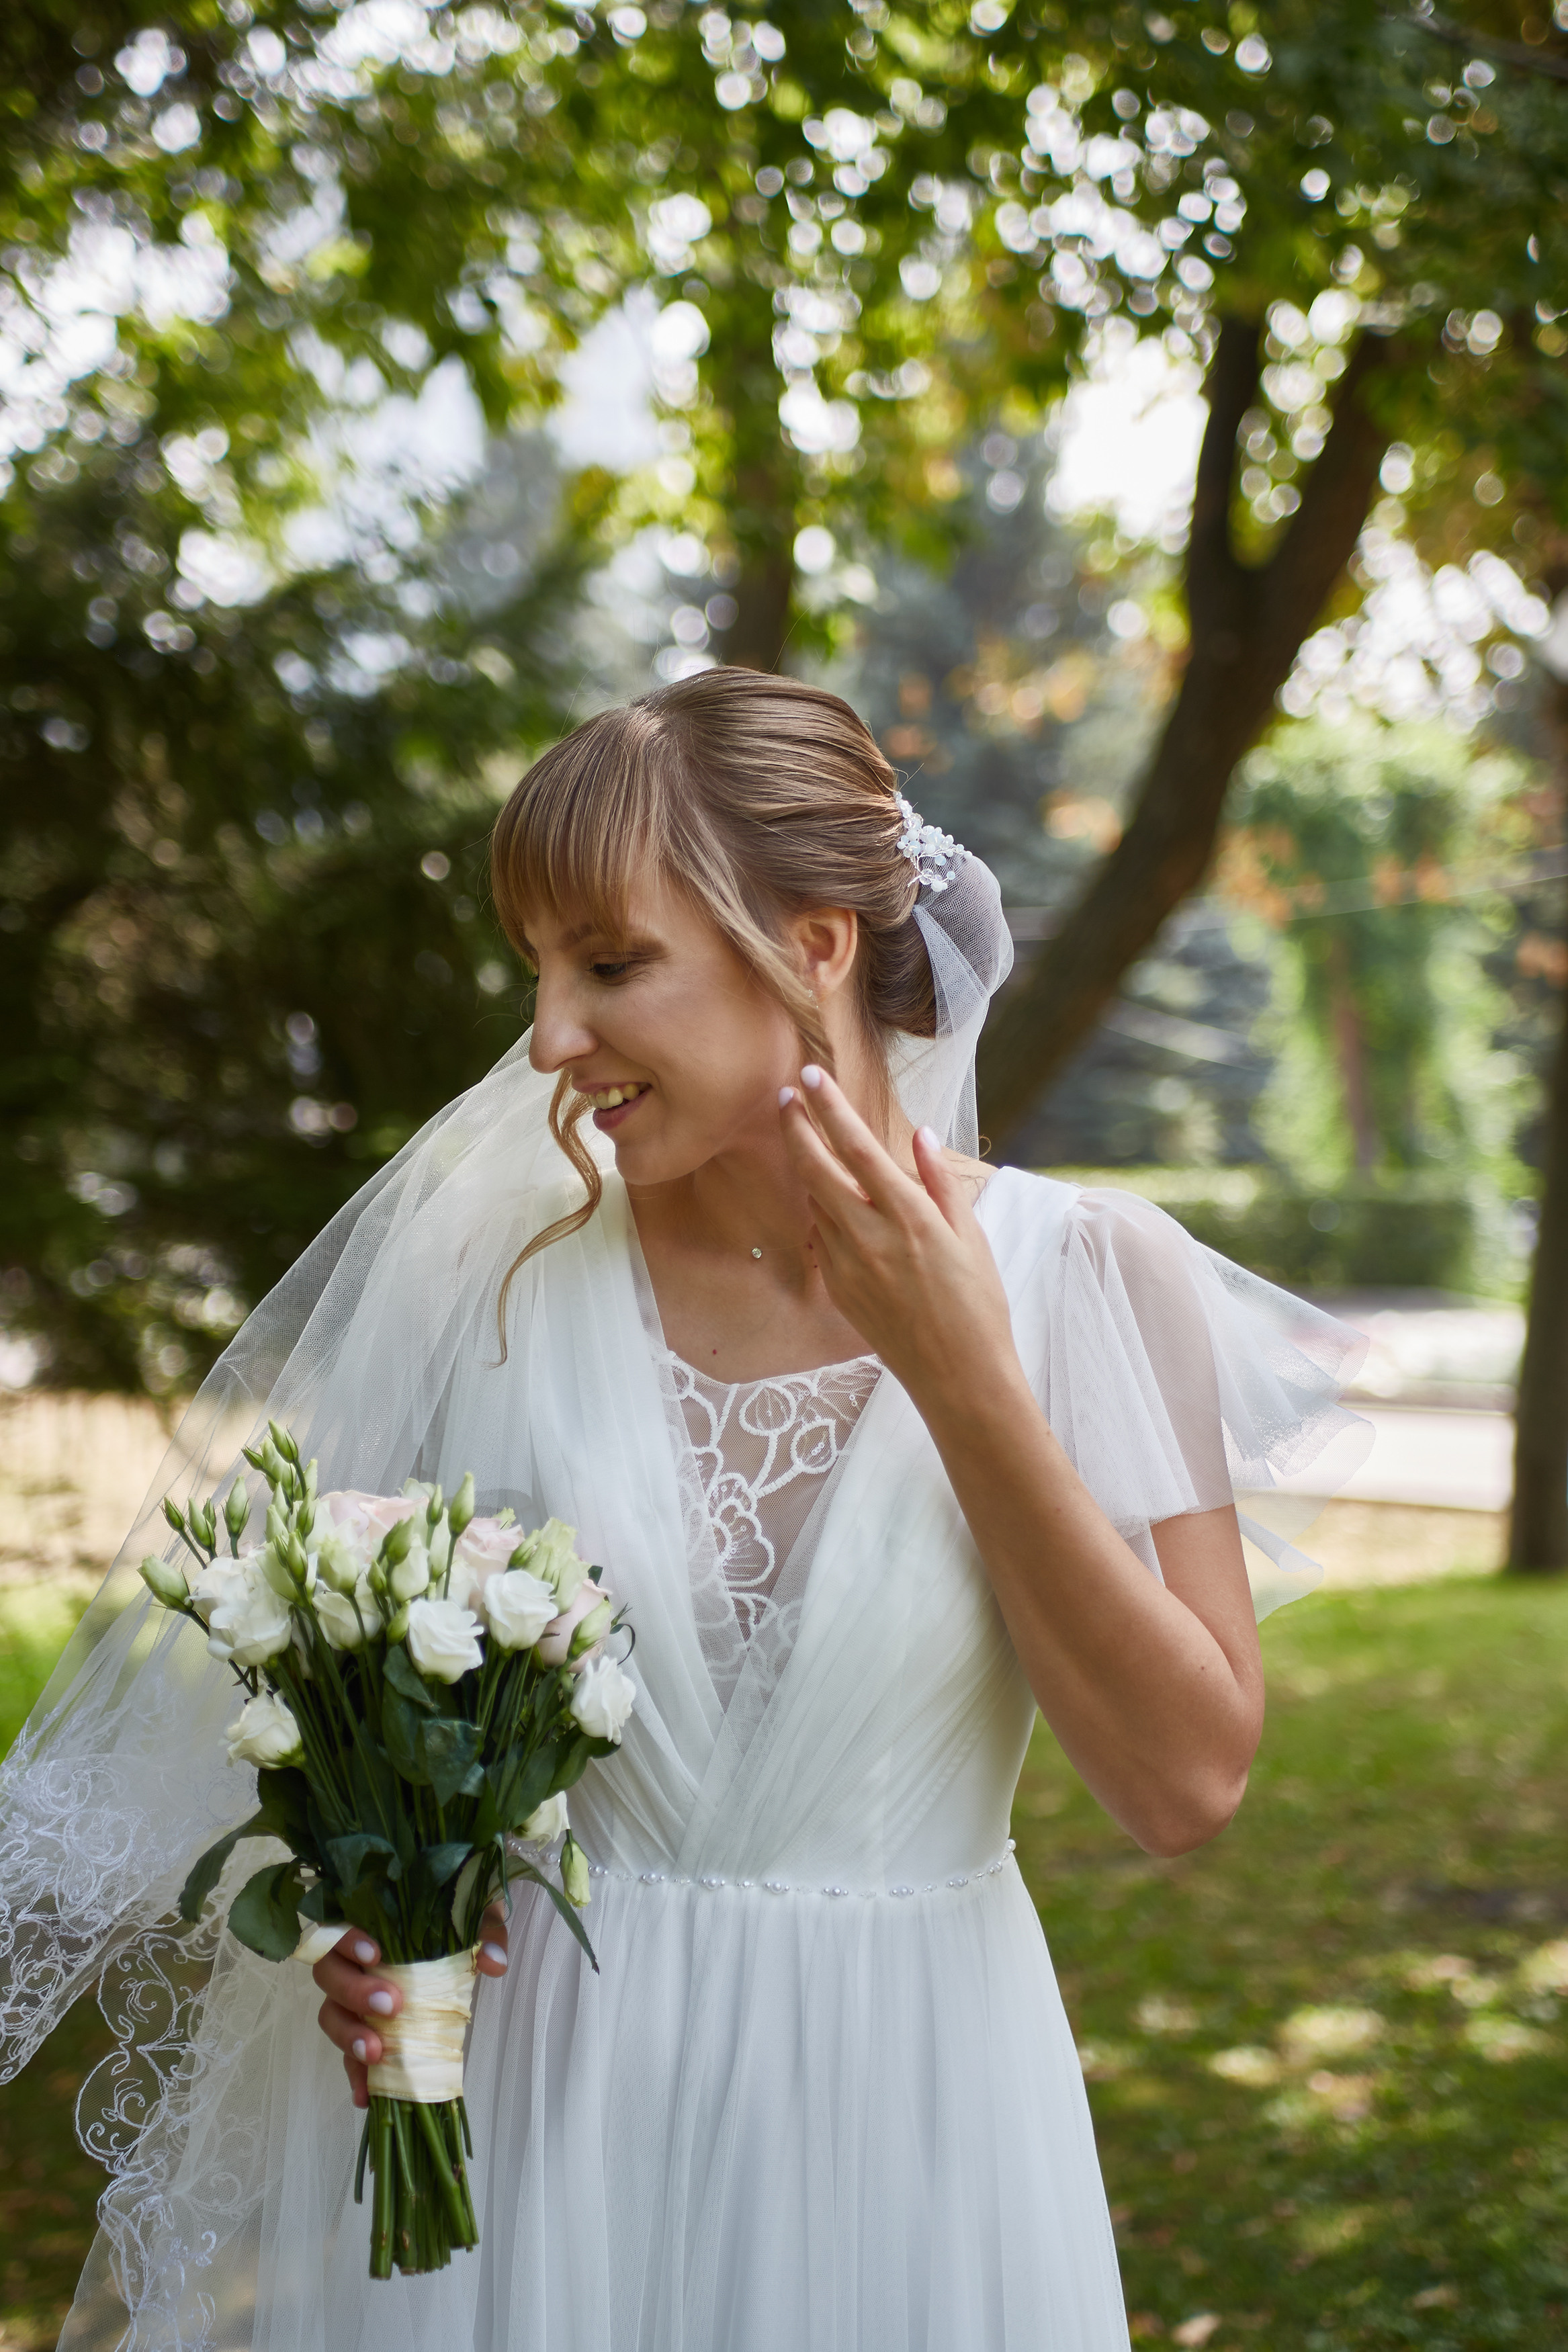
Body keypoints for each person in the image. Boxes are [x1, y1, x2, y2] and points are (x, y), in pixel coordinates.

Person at [0, 668, 1365, 2351]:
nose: (549, 1038)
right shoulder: (489, 1284)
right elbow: (368, 1715)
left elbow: (1184, 1783)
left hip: (904, 2126)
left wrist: (966, 1378)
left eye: (609, 962)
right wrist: (365, 1914)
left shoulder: (1089, 1275)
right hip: (527, 2139)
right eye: (536, 969)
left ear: (814, 943)